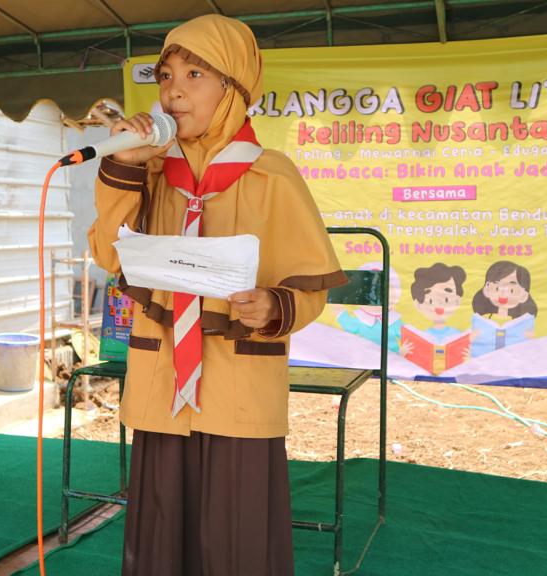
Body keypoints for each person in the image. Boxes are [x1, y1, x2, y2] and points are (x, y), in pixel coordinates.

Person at [88, 14, 345, 575]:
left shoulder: (273, 177)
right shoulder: (147, 171)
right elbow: (111, 256)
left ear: (234, 89)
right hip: (163, 382)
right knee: (160, 525)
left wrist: (274, 306)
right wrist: (123, 169)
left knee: (237, 531)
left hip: (237, 380)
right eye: (165, 75)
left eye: (196, 74)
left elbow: (308, 285)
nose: (173, 90)